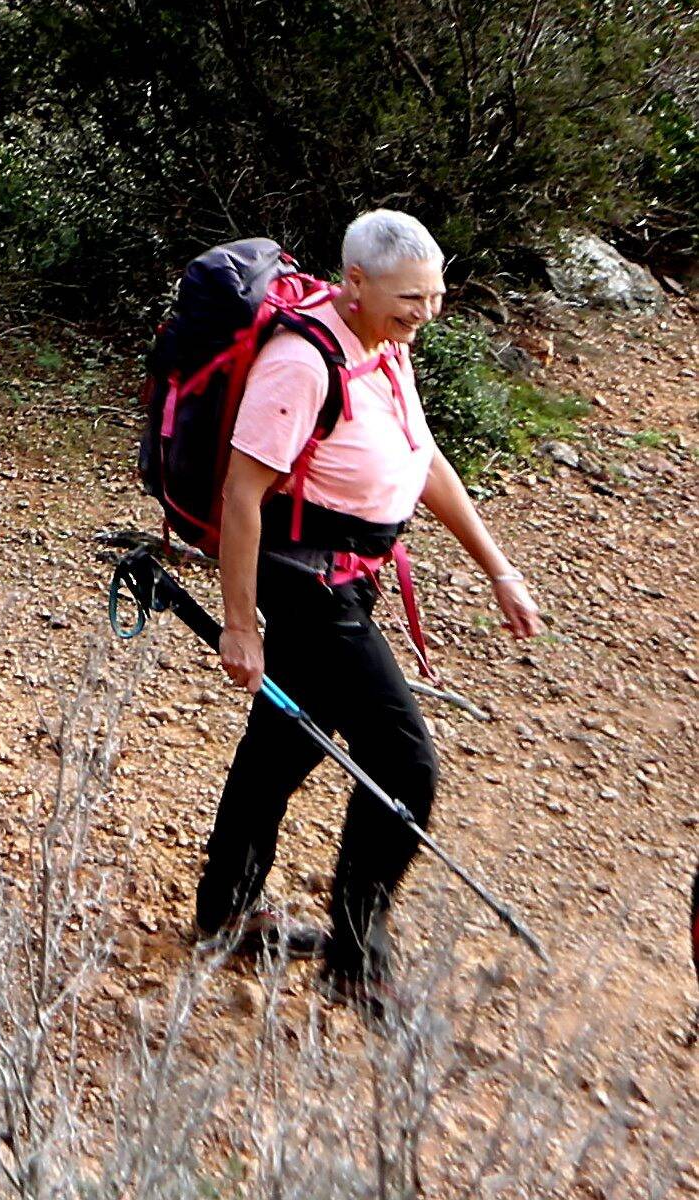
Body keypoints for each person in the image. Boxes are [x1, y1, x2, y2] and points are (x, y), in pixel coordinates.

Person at [192, 208, 542, 1014]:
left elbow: (423, 461)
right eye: (409, 297)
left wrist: (498, 568)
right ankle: (357, 955)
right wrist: (240, 624)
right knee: (405, 763)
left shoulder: (386, 351)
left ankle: (227, 911)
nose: (425, 313)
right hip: (309, 589)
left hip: (352, 579)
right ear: (354, 284)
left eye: (435, 296)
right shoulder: (301, 362)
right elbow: (243, 496)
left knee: (284, 745)